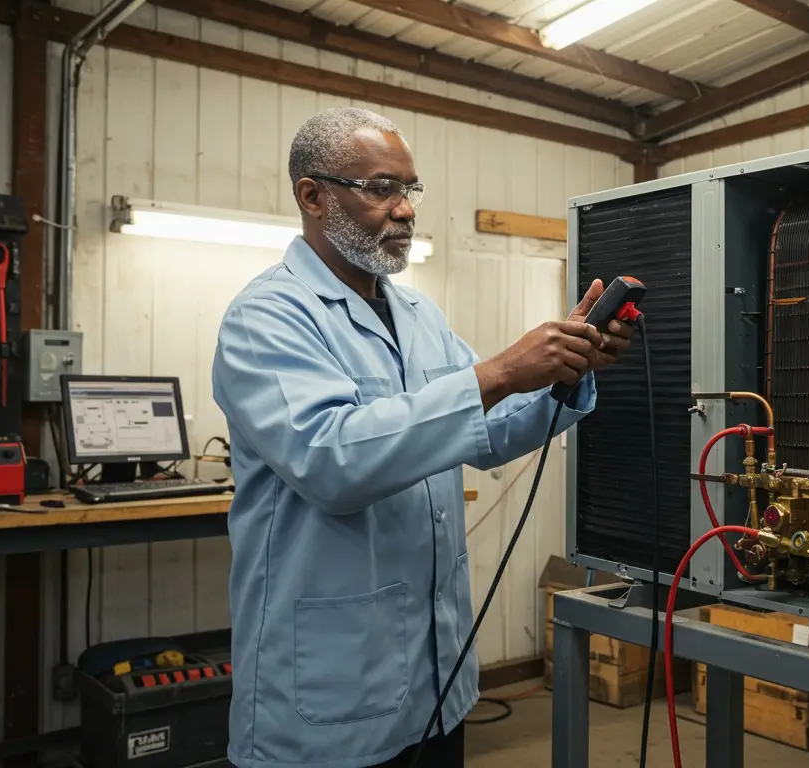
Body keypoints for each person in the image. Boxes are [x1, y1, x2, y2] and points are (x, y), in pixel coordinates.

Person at [210, 106, 634, 768]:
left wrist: (563, 373)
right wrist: (497, 372)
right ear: (312, 196)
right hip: (327, 698)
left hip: (437, 680)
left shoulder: (416, 313)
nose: (405, 209)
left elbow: (483, 433)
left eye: (409, 189)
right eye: (382, 188)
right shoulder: (265, 318)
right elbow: (331, 460)